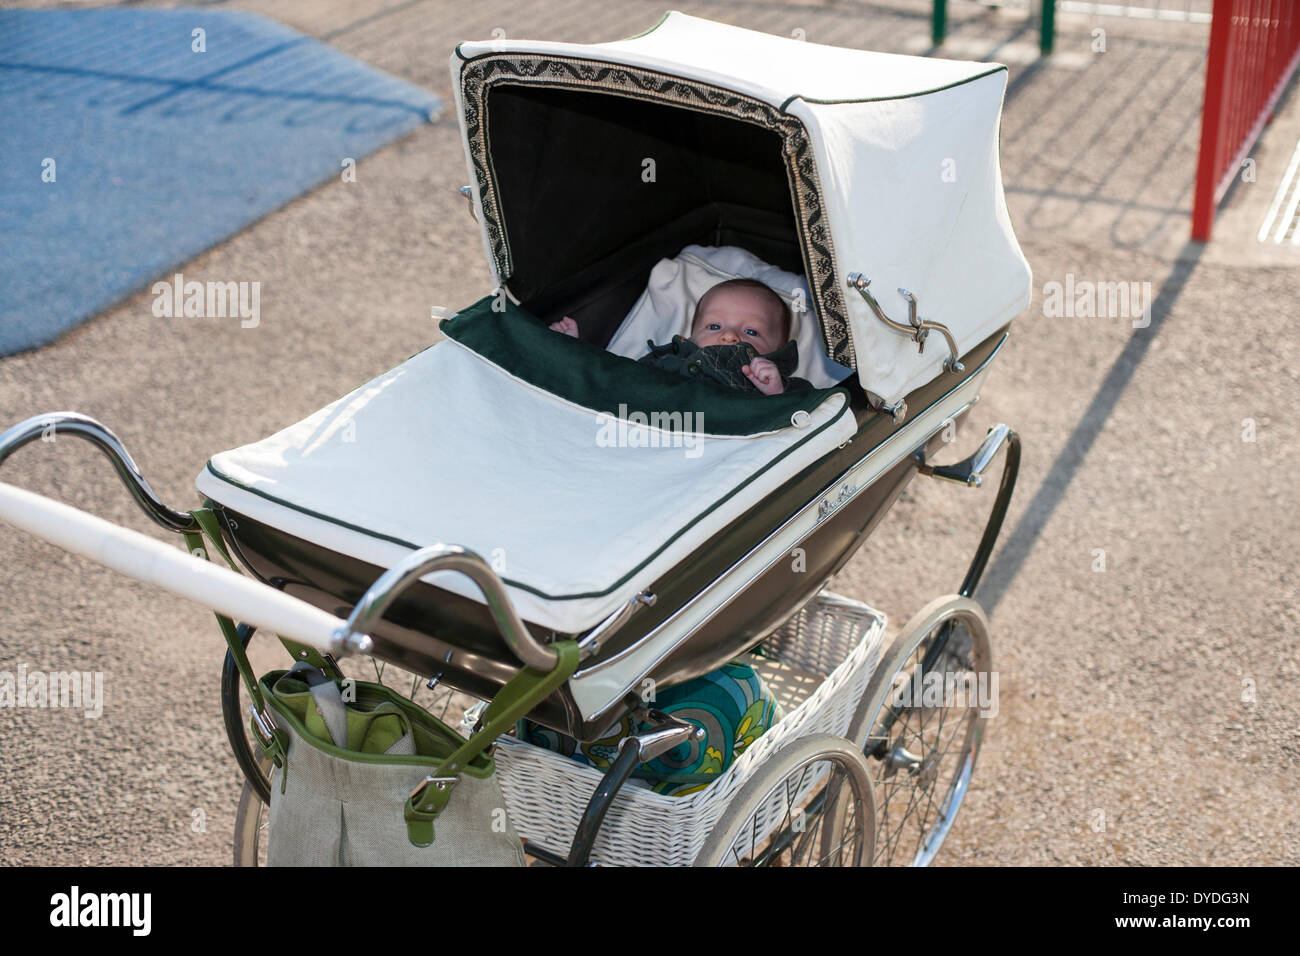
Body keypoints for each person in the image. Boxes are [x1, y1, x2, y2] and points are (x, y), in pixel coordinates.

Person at [549, 278, 813, 395]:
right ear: (689, 336)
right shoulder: (671, 357)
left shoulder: (769, 382)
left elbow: (801, 416)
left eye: (751, 332)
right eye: (714, 326)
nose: (730, 336)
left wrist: (776, 393)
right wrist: (581, 354)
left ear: (777, 352)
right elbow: (617, 378)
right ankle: (571, 353)